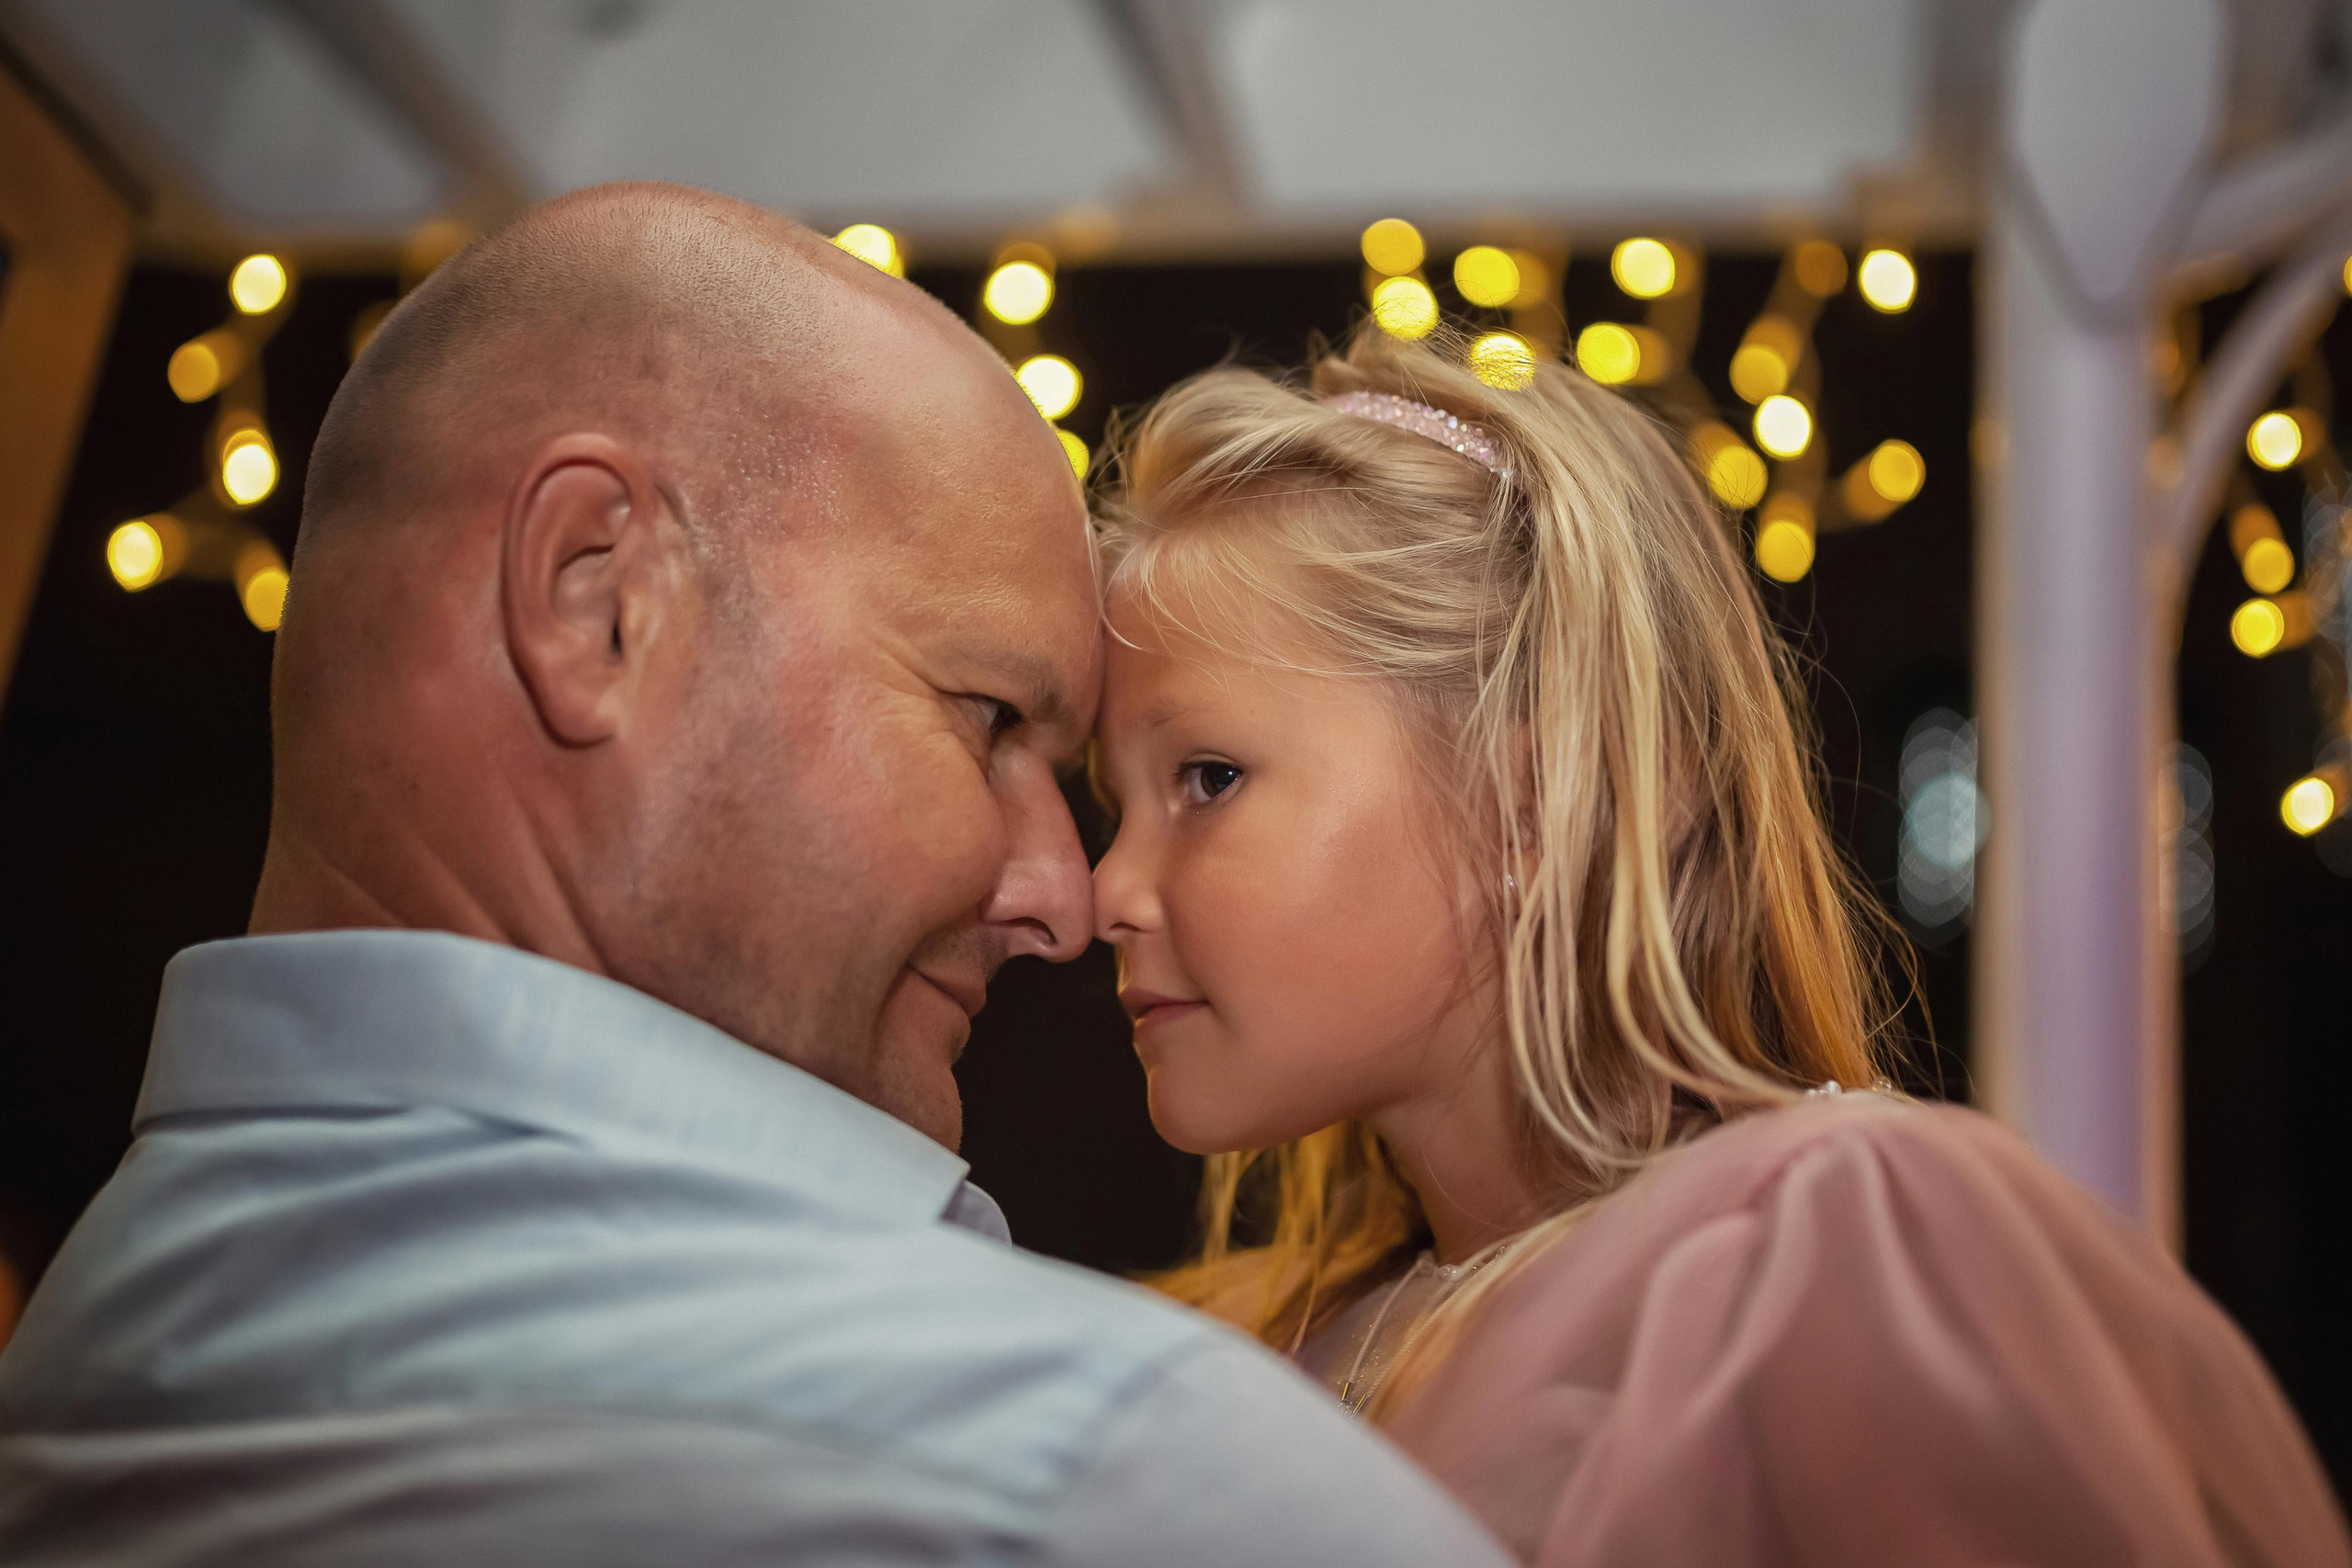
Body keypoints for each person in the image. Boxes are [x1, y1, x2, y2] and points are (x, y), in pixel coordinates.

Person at [0, 186, 1512, 1568]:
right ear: (598, 602)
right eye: (986, 717)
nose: (1062, 896)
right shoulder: (1094, 1481)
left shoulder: (89, 1367)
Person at [1090, 323, 2352, 1567]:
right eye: (1117, 803)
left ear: (1536, 799)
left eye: (1206, 777)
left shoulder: (1831, 1248)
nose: (1109, 892)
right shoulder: (1265, 1343)